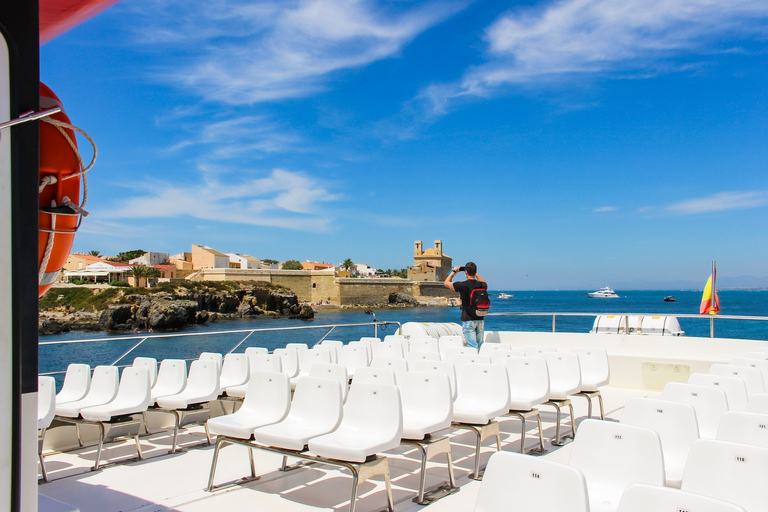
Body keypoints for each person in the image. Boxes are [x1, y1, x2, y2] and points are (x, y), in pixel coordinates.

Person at [444, 262, 487, 349]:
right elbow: (484, 282)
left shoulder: (462, 285)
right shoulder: (481, 285)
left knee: (472, 347)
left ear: (466, 272)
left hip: (468, 320)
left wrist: (454, 271)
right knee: (480, 346)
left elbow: (446, 283)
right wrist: (475, 273)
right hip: (480, 319)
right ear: (475, 271)